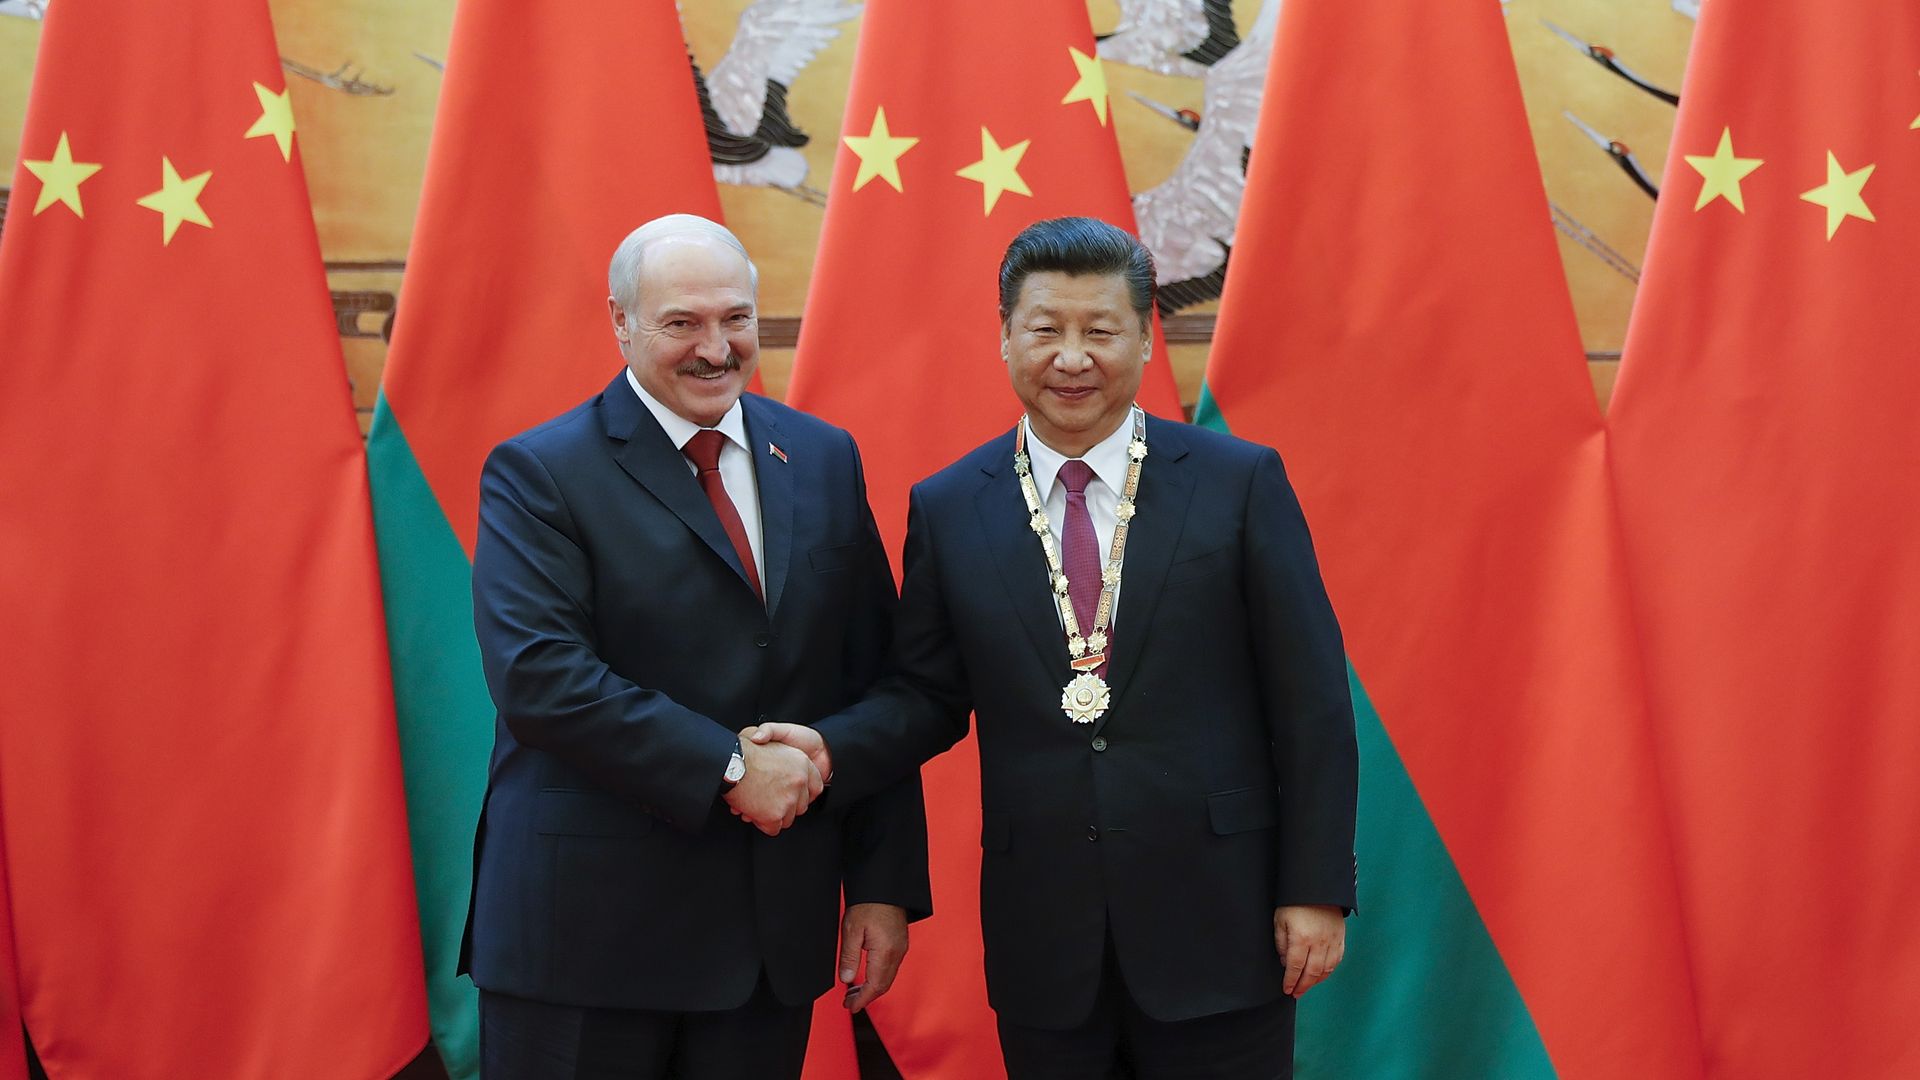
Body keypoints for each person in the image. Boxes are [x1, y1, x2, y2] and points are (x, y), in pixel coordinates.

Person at [752, 216, 1358, 1079]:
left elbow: (1311, 702)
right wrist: (827, 746)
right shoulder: (952, 504)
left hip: (1219, 921)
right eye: (1046, 330)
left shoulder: (1236, 482)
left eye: (1100, 331)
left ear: (1145, 341)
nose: (1072, 357)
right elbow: (924, 696)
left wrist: (1315, 886)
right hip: (1046, 936)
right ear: (1005, 339)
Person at [463, 214, 930, 1079]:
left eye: (736, 319)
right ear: (620, 322)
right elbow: (540, 678)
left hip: (765, 945)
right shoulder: (540, 472)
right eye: (682, 323)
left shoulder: (823, 458)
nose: (716, 349)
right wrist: (729, 766)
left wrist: (880, 882)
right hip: (587, 947)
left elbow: (877, 681)